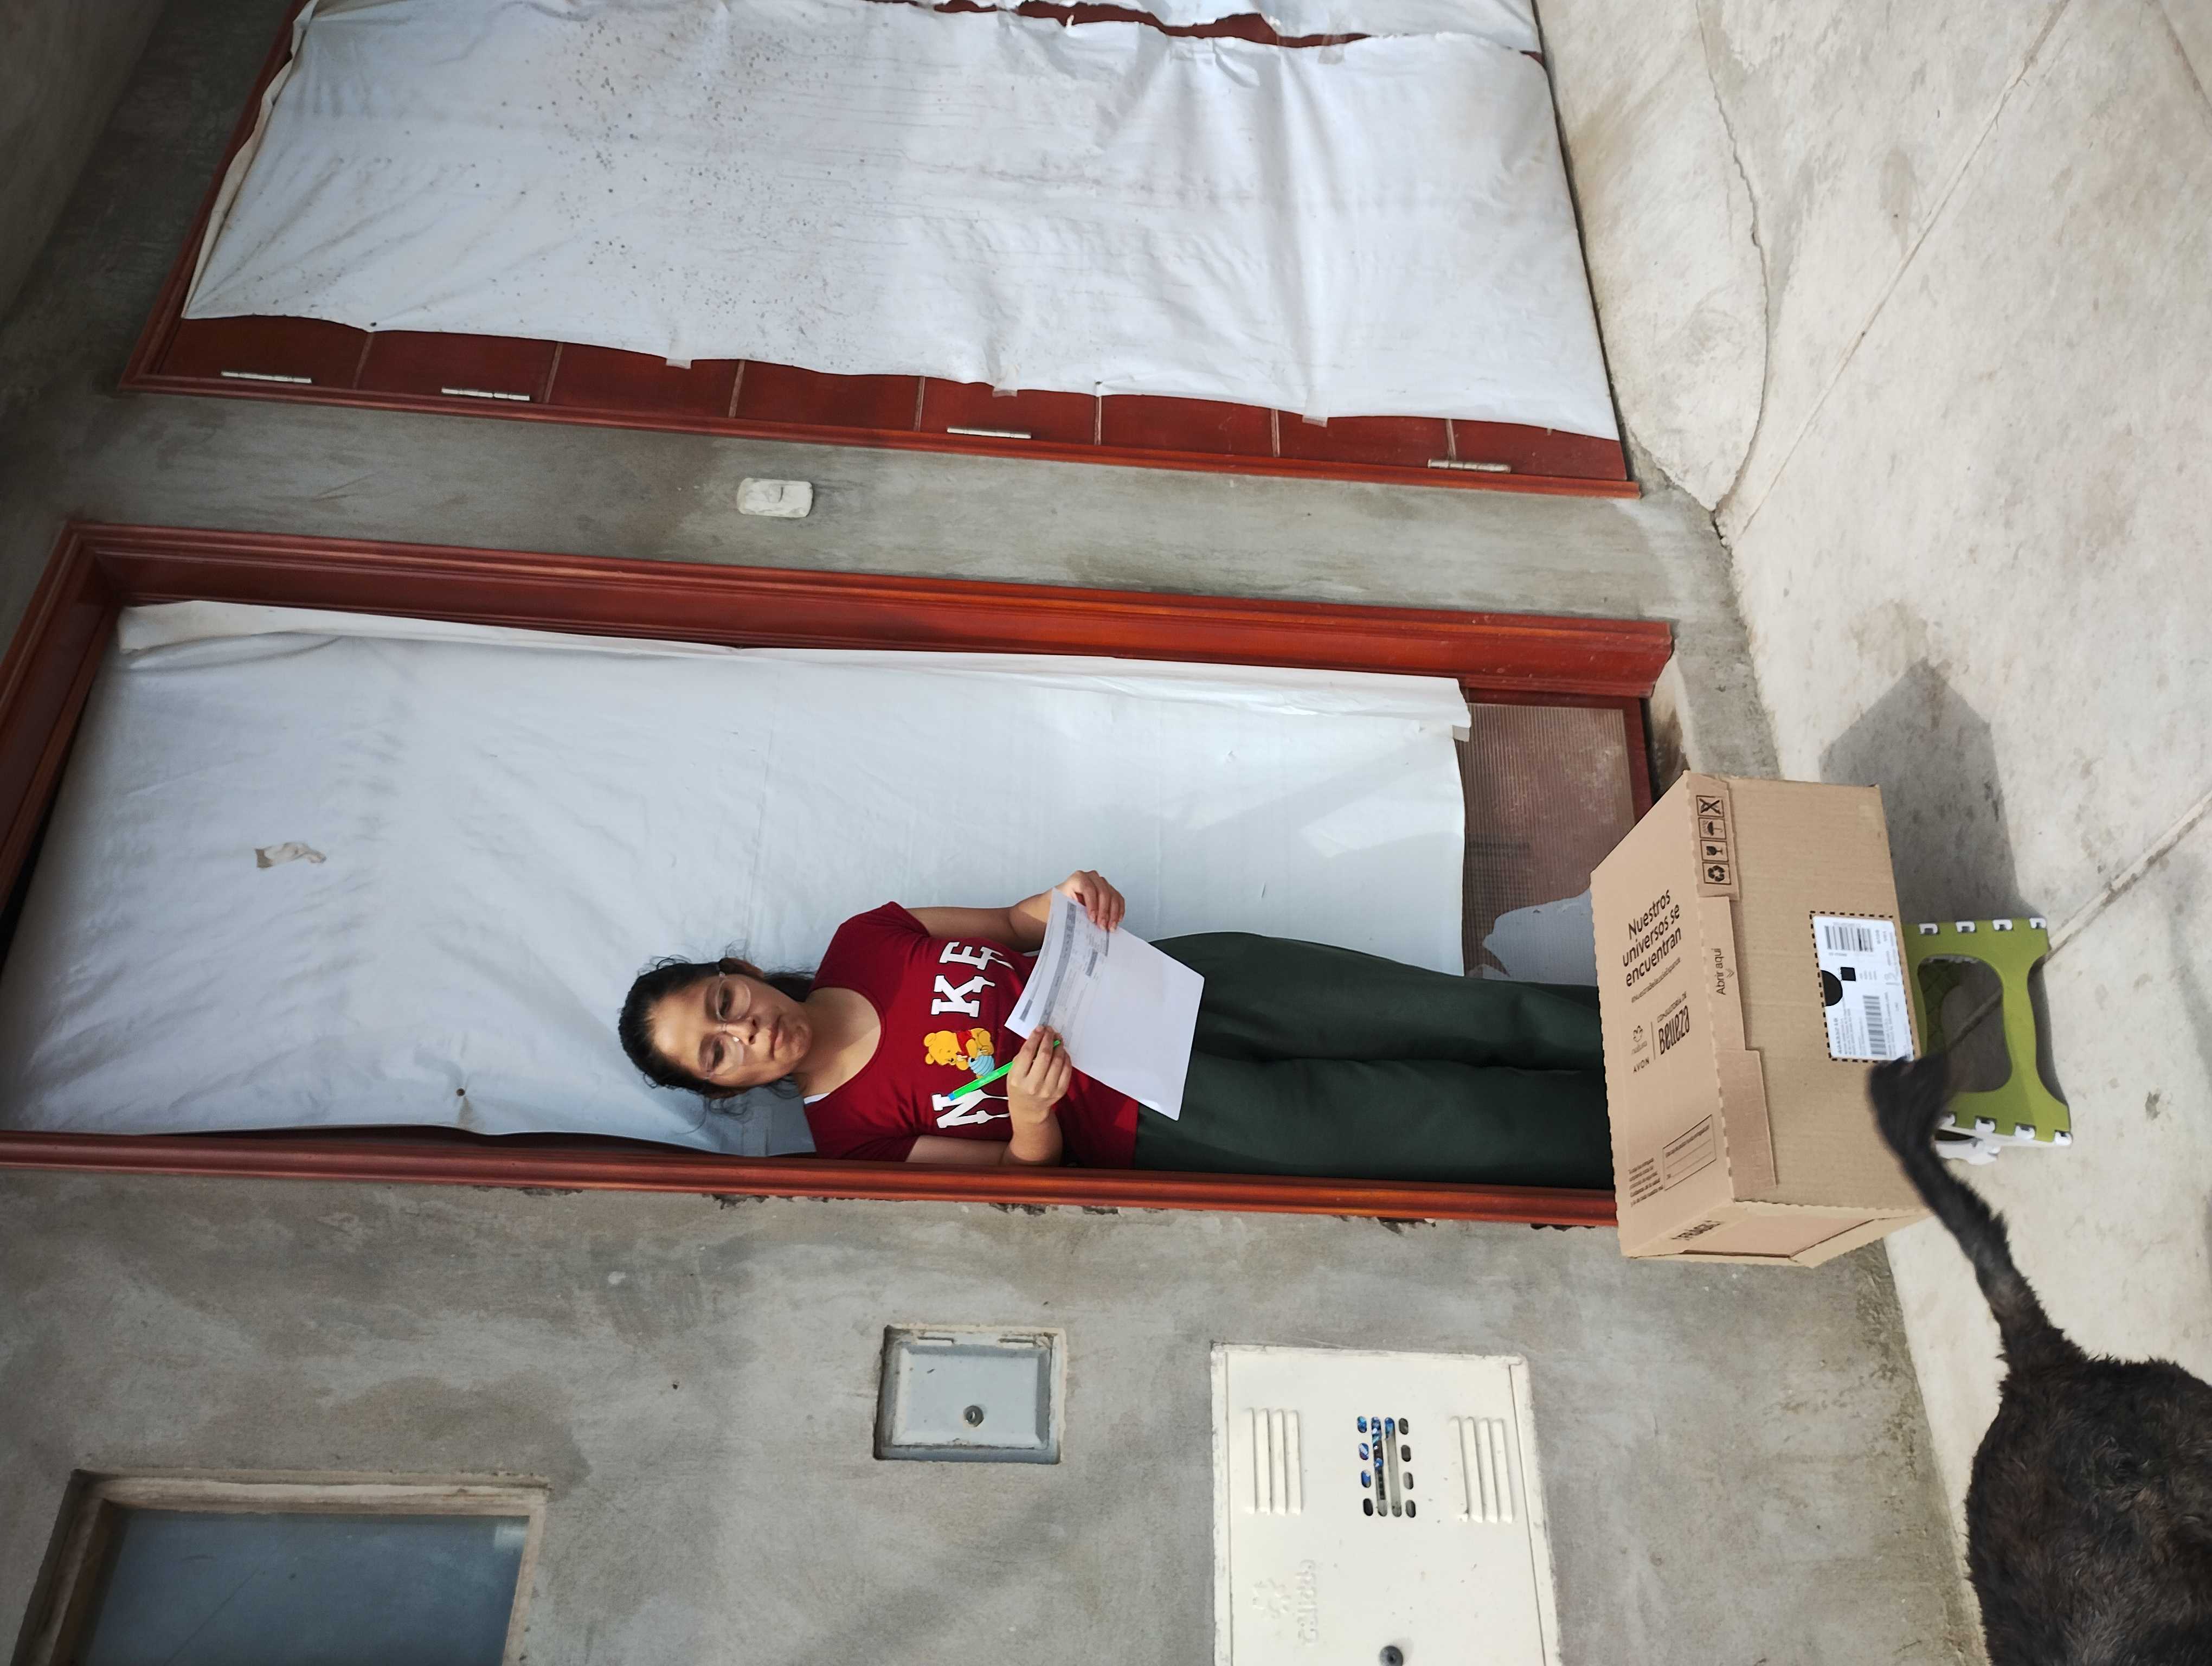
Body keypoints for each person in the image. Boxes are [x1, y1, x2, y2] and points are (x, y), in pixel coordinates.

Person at [618, 870, 1610, 1187]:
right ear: (726, 1090)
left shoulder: (864, 940)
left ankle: (1643, 1039)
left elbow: (1013, 926)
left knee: (1449, 1010)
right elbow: (1019, 1175)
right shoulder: (851, 1139)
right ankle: (1650, 1139)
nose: (745, 1034)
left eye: (723, 1005)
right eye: (717, 1054)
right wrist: (1031, 1115)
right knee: (1443, 1124)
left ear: (741, 976)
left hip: (1189, 987)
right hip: (1169, 1116)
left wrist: (1065, 897)